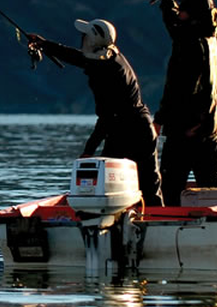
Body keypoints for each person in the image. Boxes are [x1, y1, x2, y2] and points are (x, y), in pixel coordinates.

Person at [28, 19, 164, 207]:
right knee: (149, 186)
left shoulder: (107, 73)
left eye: (85, 35)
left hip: (126, 130)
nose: (82, 38)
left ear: (91, 41)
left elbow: (107, 117)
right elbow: (79, 58)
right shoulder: (108, 56)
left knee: (108, 183)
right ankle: (155, 221)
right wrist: (45, 45)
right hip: (140, 126)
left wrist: (88, 151)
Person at [153, 0, 217, 205]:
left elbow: (177, 89)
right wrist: (167, 1)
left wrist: (159, 120)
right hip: (210, 128)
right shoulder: (208, 36)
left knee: (170, 189)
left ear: (192, 15)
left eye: (184, 10)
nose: (181, 13)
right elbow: (176, 26)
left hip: (186, 130)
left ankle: (168, 232)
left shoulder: (190, 43)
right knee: (210, 190)